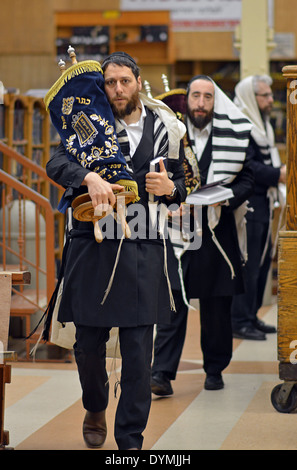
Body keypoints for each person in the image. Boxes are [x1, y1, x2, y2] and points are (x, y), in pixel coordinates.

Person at [45, 51, 187, 450]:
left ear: (138, 81)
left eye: (125, 81)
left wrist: (172, 190)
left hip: (144, 245)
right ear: (101, 84)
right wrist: (88, 175)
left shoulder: (167, 127)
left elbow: (182, 183)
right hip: (92, 243)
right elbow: (55, 164)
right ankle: (95, 404)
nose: (118, 89)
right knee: (88, 345)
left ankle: (130, 441)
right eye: (110, 82)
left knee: (139, 356)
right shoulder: (85, 122)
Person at [151, 75, 254, 395]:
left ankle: (214, 369)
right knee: (172, 303)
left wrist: (227, 197)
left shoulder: (233, 137)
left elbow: (247, 179)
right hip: (177, 230)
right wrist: (169, 203)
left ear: (215, 101)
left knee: (216, 305)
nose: (200, 103)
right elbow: (154, 176)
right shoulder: (170, 135)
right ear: (187, 99)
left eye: (207, 97)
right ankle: (162, 374)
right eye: (195, 96)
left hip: (216, 229)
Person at [231, 75, 286, 340]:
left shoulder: (261, 123)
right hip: (248, 204)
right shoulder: (240, 124)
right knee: (248, 265)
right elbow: (248, 166)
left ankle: (251, 315)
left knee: (262, 264)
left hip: (264, 202)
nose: (270, 100)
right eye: (264, 96)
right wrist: (278, 175)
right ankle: (239, 320)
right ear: (251, 98)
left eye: (269, 95)